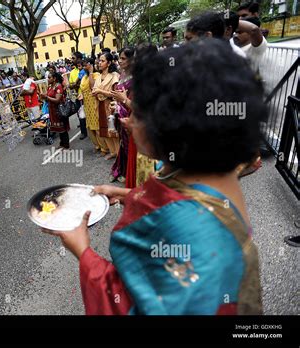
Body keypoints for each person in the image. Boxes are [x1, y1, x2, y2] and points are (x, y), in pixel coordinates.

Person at [44, 39, 265, 315]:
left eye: (138, 112)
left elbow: (133, 308)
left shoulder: (180, 228)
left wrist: (83, 252)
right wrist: (126, 194)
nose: (130, 120)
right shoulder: (213, 167)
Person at [109, 47, 135, 183]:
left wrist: (121, 103)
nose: (119, 61)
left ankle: (133, 174)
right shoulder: (121, 75)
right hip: (120, 115)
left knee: (130, 146)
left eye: (123, 58)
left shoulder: (136, 78)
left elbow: (134, 102)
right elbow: (118, 96)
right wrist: (115, 105)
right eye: (119, 58)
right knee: (123, 145)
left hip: (131, 116)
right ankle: (124, 170)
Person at [92, 52, 120, 160]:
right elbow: (95, 89)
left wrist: (100, 91)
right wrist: (95, 92)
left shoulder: (114, 76)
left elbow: (115, 94)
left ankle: (118, 153)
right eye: (99, 60)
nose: (99, 63)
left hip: (110, 105)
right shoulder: (98, 77)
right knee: (104, 130)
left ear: (108, 63)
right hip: (100, 105)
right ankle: (112, 151)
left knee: (113, 130)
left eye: (102, 61)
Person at [40, 72, 69, 149]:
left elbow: (57, 100)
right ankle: (62, 143)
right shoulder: (49, 87)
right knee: (58, 129)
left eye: (49, 77)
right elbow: (47, 96)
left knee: (62, 128)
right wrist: (42, 96)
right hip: (52, 111)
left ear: (54, 78)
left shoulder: (58, 86)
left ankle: (66, 145)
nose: (48, 79)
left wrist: (46, 97)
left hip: (59, 110)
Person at [81, 57, 102, 153]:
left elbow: (93, 87)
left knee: (97, 125)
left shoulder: (96, 75)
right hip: (86, 104)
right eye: (83, 66)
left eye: (86, 65)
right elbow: (83, 89)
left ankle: (104, 147)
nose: (84, 67)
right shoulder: (84, 77)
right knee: (89, 126)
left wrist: (91, 72)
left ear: (91, 65)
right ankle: (96, 145)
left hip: (94, 102)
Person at [69, 56, 87, 140]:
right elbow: (72, 85)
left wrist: (75, 84)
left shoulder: (85, 70)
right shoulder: (72, 72)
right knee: (81, 115)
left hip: (87, 95)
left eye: (74, 58)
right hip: (78, 96)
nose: (72, 60)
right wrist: (74, 86)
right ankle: (83, 132)